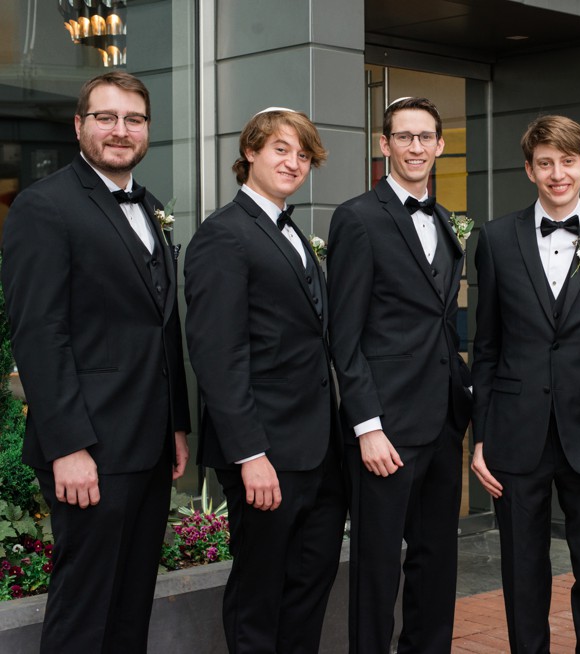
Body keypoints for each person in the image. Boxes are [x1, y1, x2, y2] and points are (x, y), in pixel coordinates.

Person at [1, 71, 191, 653]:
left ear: (147, 130)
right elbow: (39, 333)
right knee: (85, 606)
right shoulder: (44, 206)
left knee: (131, 600)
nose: (120, 130)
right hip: (89, 446)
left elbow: (164, 325)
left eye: (133, 119)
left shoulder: (151, 206)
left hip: (148, 441)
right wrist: (67, 446)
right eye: (106, 117)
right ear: (79, 125)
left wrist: (176, 424)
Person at [470, 115, 580, 652]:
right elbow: (487, 346)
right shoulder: (497, 239)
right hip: (515, 436)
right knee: (523, 573)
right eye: (545, 163)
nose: (557, 173)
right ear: (529, 170)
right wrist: (481, 435)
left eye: (567, 161)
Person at [183, 107, 347, 653]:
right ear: (250, 152)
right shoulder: (223, 236)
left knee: (309, 589)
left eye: (303, 155)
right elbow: (217, 357)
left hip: (319, 453)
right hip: (266, 455)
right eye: (281, 149)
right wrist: (251, 455)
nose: (293, 162)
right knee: (260, 594)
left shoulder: (292, 230)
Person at [327, 96, 473, 652]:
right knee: (377, 566)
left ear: (439, 145)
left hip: (441, 425)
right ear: (384, 145)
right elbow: (346, 336)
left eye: (426, 137)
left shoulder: (444, 220)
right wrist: (367, 426)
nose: (416, 147)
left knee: (437, 562)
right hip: (383, 430)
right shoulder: (358, 218)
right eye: (404, 137)